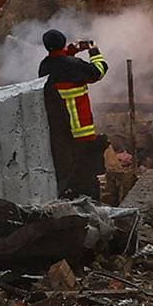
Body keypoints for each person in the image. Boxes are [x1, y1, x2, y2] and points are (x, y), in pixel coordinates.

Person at [39, 28, 108, 199]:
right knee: (87, 175)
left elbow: (60, 62)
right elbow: (99, 71)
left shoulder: (45, 66)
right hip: (81, 132)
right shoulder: (74, 65)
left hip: (59, 133)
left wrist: (72, 49)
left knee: (66, 174)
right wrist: (94, 51)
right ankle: (90, 204)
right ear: (62, 42)